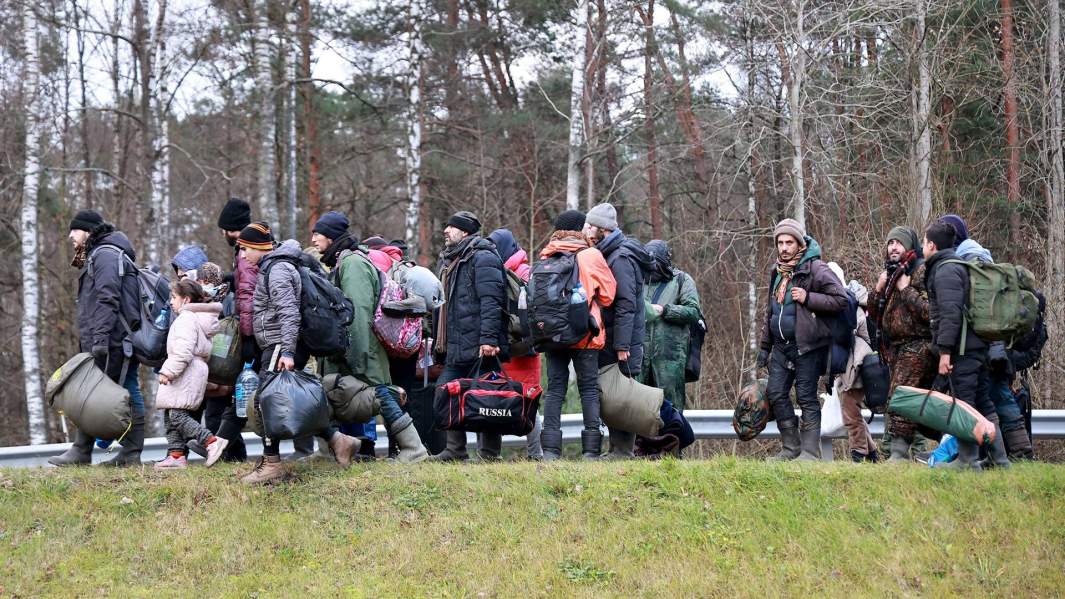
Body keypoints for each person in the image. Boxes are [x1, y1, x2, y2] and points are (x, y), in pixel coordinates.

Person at [236, 222, 363, 484]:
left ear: (259, 247)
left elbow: (289, 313)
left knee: (264, 401)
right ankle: (339, 441)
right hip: (281, 344)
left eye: (245, 248)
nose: (242, 255)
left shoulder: (278, 269)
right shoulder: (276, 265)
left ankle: (272, 464)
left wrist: (287, 351)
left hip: (280, 345)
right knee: (288, 401)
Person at [314, 212, 430, 464]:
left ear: (331, 236)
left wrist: (356, 356)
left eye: (318, 233)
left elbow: (358, 313)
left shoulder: (353, 264)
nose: (313, 239)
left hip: (361, 349)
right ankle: (327, 452)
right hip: (349, 349)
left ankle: (414, 449)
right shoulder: (341, 262)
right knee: (329, 392)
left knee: (381, 395)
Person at [50, 210, 145, 467]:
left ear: (89, 231)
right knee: (107, 390)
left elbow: (107, 298)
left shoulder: (104, 255)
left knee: (114, 390)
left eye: (75, 230)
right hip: (112, 337)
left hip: (114, 338)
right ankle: (93, 450)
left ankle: (117, 452)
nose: (70, 235)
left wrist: (100, 339)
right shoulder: (102, 253)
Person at [756, 219, 848, 461]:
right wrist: (764, 347)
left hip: (808, 346)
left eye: (789, 242)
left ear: (799, 243)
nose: (784, 248)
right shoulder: (776, 272)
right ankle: (791, 448)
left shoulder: (816, 268)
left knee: (806, 396)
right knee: (775, 394)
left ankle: (810, 453)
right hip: (780, 347)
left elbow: (841, 299)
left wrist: (808, 297)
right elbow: (771, 311)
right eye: (780, 243)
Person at [922, 219, 1010, 469]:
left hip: (962, 351)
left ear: (932, 245)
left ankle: (967, 460)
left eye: (923, 242)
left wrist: (945, 353)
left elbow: (950, 315)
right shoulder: (954, 266)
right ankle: (999, 459)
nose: (922, 248)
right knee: (983, 402)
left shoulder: (946, 270)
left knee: (965, 404)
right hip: (974, 348)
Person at [430, 211, 510, 462]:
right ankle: (455, 450)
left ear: (465, 232)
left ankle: (489, 454)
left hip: (479, 344)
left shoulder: (483, 256)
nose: (446, 231)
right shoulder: (448, 260)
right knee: (445, 391)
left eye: (451, 227)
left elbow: (491, 301)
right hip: (455, 343)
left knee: (488, 395)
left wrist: (488, 339)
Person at [537, 210, 616, 460]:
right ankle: (591, 450)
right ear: (580, 229)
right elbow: (608, 295)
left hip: (553, 334)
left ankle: (549, 450)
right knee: (589, 390)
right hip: (585, 333)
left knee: (555, 389)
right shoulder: (590, 255)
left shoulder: (546, 255)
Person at [955, 237, 1037, 460]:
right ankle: (1014, 453)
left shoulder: (974, 278)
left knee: (993, 401)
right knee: (999, 399)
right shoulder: (998, 276)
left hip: (982, 353)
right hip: (1002, 353)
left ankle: (1012, 453)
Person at [582, 202, 652, 459]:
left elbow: (626, 305)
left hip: (622, 343)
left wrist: (622, 346)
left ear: (604, 229)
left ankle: (623, 450)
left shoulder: (620, 257)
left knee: (622, 396)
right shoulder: (608, 253)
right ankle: (616, 448)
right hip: (613, 339)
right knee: (612, 394)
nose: (587, 231)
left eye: (591, 226)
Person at [867, 226, 935, 462]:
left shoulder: (919, 271)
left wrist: (905, 290)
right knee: (897, 398)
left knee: (901, 397)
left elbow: (929, 313)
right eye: (890, 243)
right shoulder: (890, 273)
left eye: (898, 243)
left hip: (918, 345)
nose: (893, 247)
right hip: (894, 349)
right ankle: (901, 454)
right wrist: (877, 289)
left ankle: (898, 454)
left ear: (909, 246)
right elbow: (874, 315)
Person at [153, 279, 229, 469]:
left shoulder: (186, 319)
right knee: (171, 415)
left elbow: (184, 351)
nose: (171, 302)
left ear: (186, 300)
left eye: (174, 297)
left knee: (177, 415)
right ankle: (176, 455)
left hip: (185, 371)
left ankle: (212, 442)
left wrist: (168, 371)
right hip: (191, 370)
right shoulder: (196, 318)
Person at [488, 227, 544, 459]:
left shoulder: (511, 272)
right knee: (523, 400)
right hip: (522, 348)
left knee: (502, 399)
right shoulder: (527, 271)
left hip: (512, 349)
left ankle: (490, 453)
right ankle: (534, 454)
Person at [214, 198, 257, 462]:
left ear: (233, 230)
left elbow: (250, 294)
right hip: (255, 331)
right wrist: (228, 280)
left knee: (246, 393)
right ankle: (224, 448)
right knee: (242, 395)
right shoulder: (246, 250)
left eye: (224, 230)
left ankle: (222, 447)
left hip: (254, 333)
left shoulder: (246, 251)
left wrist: (247, 335)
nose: (223, 235)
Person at [641, 239, 702, 413]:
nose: (652, 268)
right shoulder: (637, 280)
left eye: (656, 264)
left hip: (670, 358)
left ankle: (673, 439)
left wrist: (665, 310)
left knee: (671, 412)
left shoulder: (681, 280)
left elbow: (693, 311)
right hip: (640, 359)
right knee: (640, 413)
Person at [825, 264, 878, 463]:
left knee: (850, 413)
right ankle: (872, 453)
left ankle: (858, 454)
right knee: (853, 410)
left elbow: (849, 332)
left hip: (856, 365)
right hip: (856, 365)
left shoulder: (848, 303)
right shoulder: (853, 299)